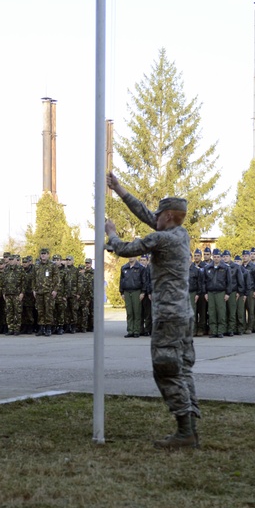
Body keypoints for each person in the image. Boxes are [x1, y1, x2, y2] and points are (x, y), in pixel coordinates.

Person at [106, 172, 199, 450]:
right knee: (182, 369)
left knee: (166, 369)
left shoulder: (163, 239)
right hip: (183, 314)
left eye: (159, 214)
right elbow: (147, 215)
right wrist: (119, 190)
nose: (153, 217)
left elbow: (125, 249)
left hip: (169, 316)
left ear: (168, 216)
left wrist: (111, 234)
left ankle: (185, 432)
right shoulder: (180, 234)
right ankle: (190, 428)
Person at [119, 255, 147, 338]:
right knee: (129, 312)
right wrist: (122, 292)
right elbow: (121, 281)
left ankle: (137, 331)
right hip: (127, 291)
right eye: (129, 256)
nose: (131, 257)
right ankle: (130, 330)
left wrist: (143, 292)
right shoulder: (124, 268)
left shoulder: (140, 268)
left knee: (137, 312)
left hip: (136, 291)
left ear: (135, 257)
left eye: (132, 256)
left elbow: (144, 281)